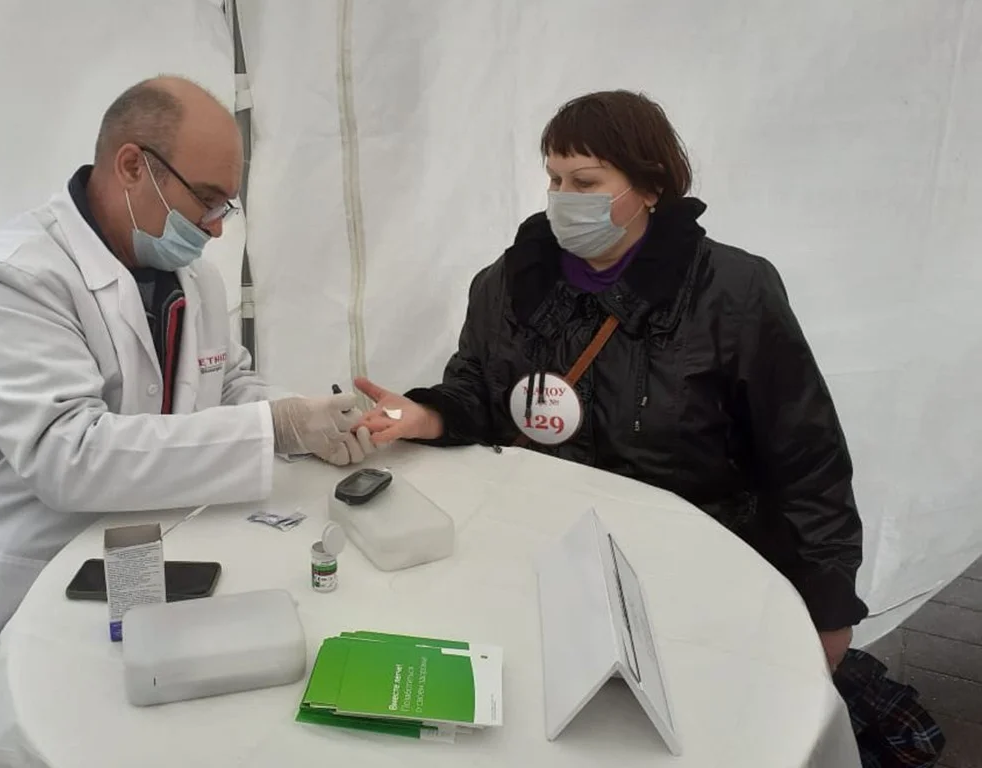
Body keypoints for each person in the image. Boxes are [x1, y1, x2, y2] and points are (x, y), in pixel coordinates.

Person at [0, 76, 372, 766]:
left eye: (226, 205)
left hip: (153, 557)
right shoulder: (14, 277)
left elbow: (226, 380)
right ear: (133, 166)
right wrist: (276, 427)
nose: (218, 226)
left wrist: (311, 419)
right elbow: (69, 455)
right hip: (34, 569)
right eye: (207, 199)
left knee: (172, 735)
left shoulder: (194, 275)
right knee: (51, 735)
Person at [357, 90, 868, 670]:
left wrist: (829, 607)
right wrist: (428, 414)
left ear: (649, 188)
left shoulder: (732, 291)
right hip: (543, 560)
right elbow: (478, 386)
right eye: (554, 180)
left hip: (695, 576)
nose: (562, 198)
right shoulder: (509, 281)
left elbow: (806, 456)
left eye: (586, 182)